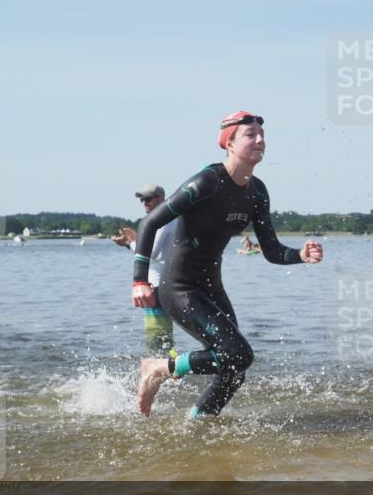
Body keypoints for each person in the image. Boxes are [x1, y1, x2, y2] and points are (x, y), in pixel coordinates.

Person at [132, 111, 324, 417]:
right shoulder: (207, 182)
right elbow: (150, 224)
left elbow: (271, 249)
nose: (260, 140)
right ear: (229, 143)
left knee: (234, 367)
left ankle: (199, 424)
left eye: (262, 135)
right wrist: (140, 280)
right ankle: (157, 368)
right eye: (250, 134)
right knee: (238, 353)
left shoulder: (257, 192)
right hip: (179, 288)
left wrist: (299, 256)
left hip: (211, 287)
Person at [112, 184, 176, 349]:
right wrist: (135, 240)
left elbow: (151, 253)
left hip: (156, 287)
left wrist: (129, 243)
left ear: (161, 198)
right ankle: (169, 368)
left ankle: (165, 368)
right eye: (142, 200)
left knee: (157, 335)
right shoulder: (169, 219)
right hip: (163, 284)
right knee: (162, 336)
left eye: (148, 199)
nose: (144, 203)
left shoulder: (162, 221)